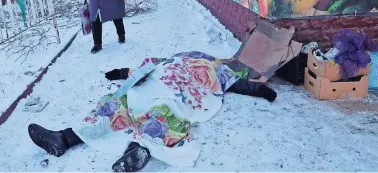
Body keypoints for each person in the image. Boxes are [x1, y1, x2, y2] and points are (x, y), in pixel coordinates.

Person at [28, 51, 277, 172]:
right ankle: (64, 138)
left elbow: (237, 83)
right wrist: (121, 73)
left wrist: (260, 91)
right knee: (115, 104)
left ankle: (136, 150)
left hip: (179, 94)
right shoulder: (170, 59)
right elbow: (142, 70)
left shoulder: (216, 68)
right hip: (151, 86)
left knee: (163, 113)